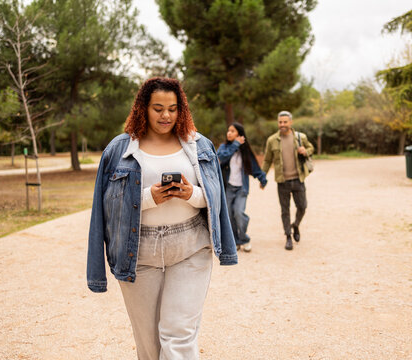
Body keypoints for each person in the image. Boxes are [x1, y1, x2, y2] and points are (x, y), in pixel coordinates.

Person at [86, 77, 237, 360]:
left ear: (181, 109)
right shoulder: (118, 150)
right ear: (143, 108)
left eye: (172, 108)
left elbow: (216, 201)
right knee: (149, 346)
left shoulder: (199, 145)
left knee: (178, 337)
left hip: (190, 248)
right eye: (158, 108)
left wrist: (191, 193)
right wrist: (147, 198)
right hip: (138, 254)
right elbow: (106, 210)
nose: (166, 115)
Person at [262, 110, 314, 251]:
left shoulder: (300, 137)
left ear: (290, 122)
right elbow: (267, 160)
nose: (282, 124)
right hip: (282, 181)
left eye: (285, 122)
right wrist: (262, 177)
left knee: (302, 206)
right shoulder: (272, 140)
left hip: (298, 179)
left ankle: (295, 225)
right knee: (285, 210)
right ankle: (288, 237)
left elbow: (311, 147)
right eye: (280, 122)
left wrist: (306, 151)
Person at [217, 123, 267, 252]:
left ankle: (244, 239)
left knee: (239, 213)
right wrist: (235, 145)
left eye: (232, 131)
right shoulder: (224, 148)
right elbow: (221, 158)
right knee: (229, 215)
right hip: (228, 188)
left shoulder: (245, 152)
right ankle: (235, 240)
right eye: (228, 130)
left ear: (239, 134)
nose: (229, 133)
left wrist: (262, 179)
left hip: (241, 189)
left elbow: (255, 167)